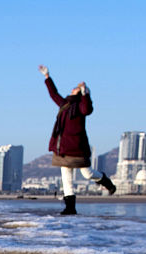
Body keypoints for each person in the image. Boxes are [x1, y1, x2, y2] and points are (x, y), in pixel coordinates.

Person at [39, 64, 115, 215]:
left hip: (77, 147)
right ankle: (70, 208)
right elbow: (53, 94)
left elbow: (87, 109)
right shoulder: (65, 104)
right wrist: (47, 77)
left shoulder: (81, 106)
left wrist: (85, 93)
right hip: (63, 148)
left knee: (87, 173)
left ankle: (107, 182)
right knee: (66, 178)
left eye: (76, 89)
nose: (73, 89)